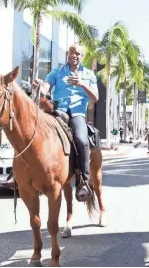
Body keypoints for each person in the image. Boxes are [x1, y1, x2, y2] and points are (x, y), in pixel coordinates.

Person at [32, 44, 99, 201]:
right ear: (67, 55)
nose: (73, 55)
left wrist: (81, 84)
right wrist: (39, 86)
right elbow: (45, 89)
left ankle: (83, 180)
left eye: (77, 53)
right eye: (71, 53)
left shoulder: (89, 75)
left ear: (82, 56)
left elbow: (95, 98)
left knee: (81, 141)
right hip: (57, 112)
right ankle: (17, 173)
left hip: (76, 114)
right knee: (33, 129)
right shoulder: (57, 72)